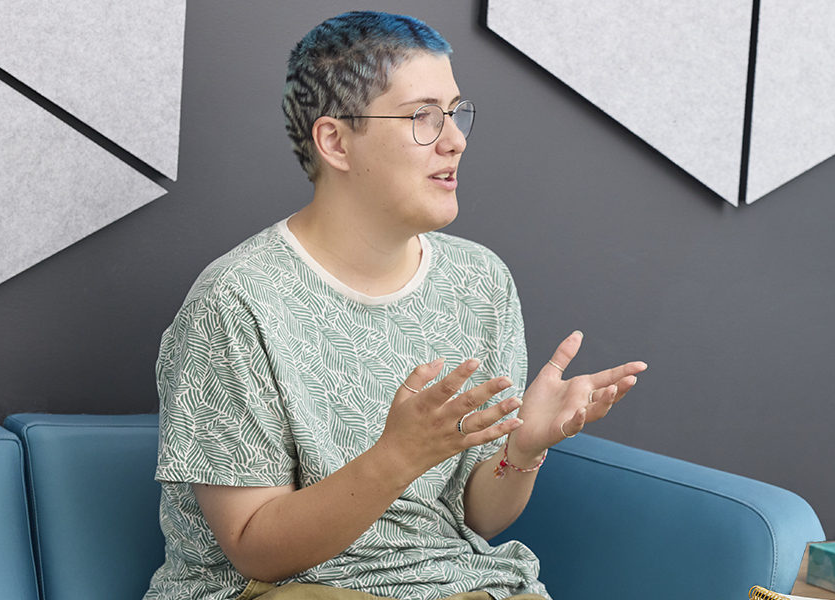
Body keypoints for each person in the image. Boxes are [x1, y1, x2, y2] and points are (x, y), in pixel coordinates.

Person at [144, 12, 645, 600]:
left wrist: (522, 449)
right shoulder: (234, 302)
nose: (455, 139)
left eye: (455, 113)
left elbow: (477, 517)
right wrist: (396, 457)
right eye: (423, 117)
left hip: (454, 585)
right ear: (335, 141)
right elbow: (256, 548)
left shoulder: (479, 280)